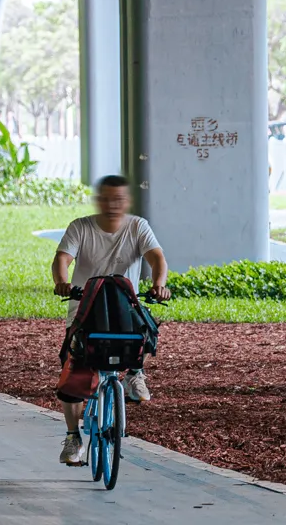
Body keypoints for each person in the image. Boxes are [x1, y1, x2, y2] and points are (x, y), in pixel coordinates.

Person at [50, 174, 171, 466]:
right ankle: (73, 436)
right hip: (85, 311)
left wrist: (159, 284)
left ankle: (134, 374)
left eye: (118, 199)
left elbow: (157, 258)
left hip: (123, 309)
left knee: (146, 332)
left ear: (127, 201)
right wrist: (62, 282)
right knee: (74, 374)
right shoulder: (81, 227)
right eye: (106, 198)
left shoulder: (138, 226)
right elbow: (62, 259)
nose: (112, 204)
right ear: (98, 200)